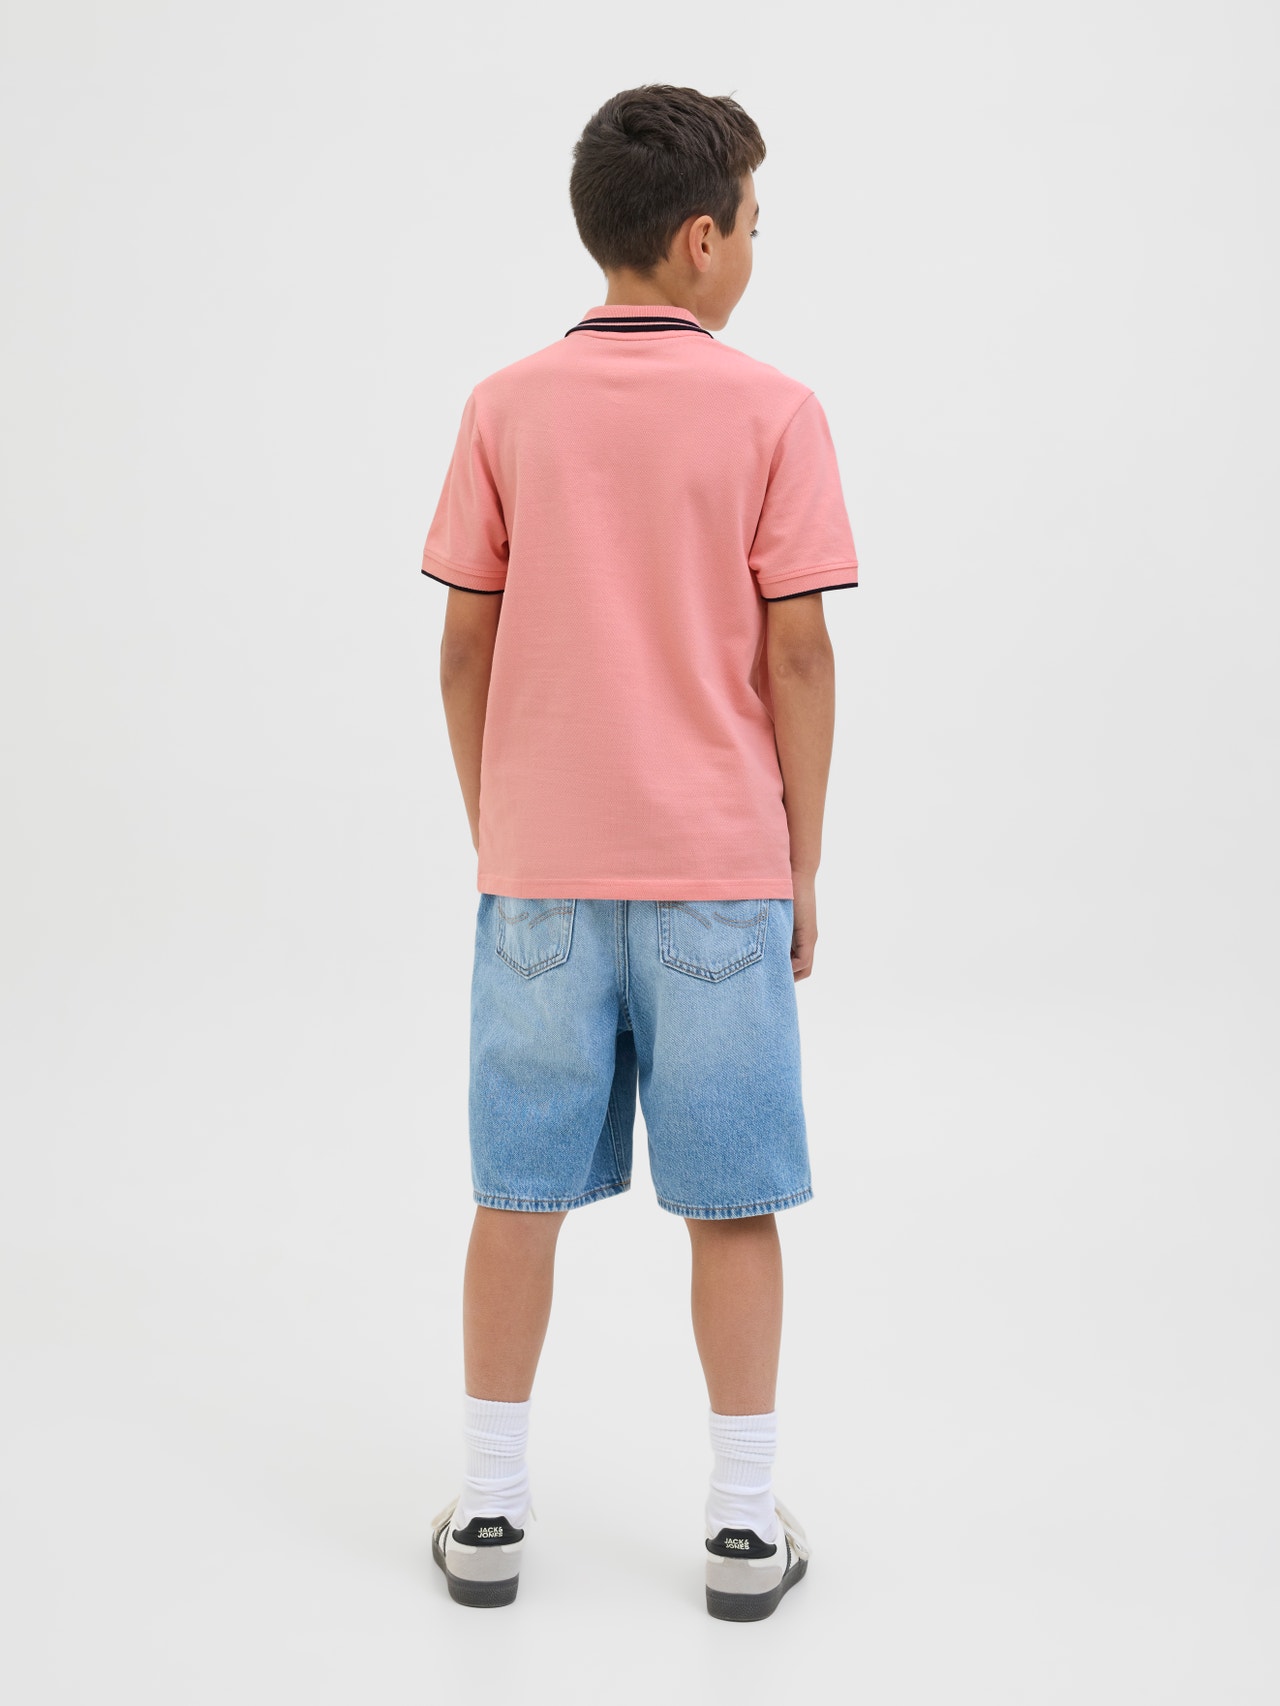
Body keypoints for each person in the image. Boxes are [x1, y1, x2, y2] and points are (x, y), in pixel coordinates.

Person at [423, 83, 859, 1620]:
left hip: (538, 872)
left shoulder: (504, 406)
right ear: (700, 241)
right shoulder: (775, 412)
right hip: (718, 875)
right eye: (754, 223)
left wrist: (504, 830)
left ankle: (489, 1508)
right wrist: (801, 860)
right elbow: (798, 654)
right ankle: (742, 1524)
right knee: (731, 1202)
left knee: (517, 1192)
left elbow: (463, 645)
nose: (755, 248)